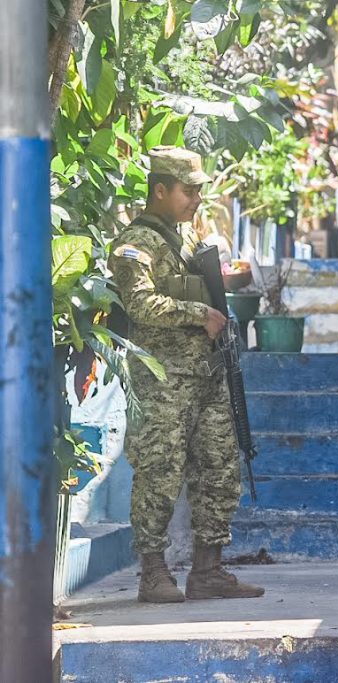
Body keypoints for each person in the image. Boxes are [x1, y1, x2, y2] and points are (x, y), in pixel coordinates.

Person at [109, 146, 264, 603]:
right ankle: (153, 573)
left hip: (207, 376)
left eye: (199, 191)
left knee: (219, 470)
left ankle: (208, 570)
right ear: (160, 190)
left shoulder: (189, 240)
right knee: (159, 474)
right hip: (163, 382)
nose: (197, 199)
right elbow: (140, 304)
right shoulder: (135, 245)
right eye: (188, 191)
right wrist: (198, 313)